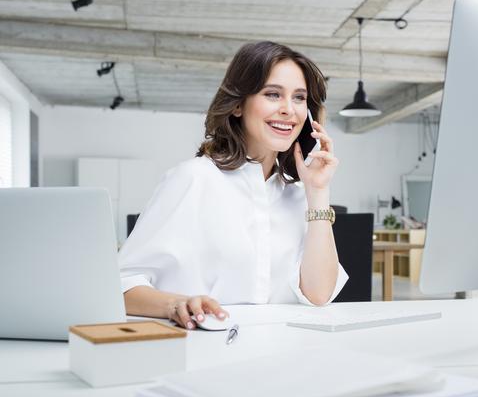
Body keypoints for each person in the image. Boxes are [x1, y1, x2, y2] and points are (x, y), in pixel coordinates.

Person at [118, 41, 348, 329]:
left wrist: (318, 192)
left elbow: (318, 294)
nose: (289, 109)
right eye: (273, 94)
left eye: (299, 98)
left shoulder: (299, 195)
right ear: (239, 104)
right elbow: (121, 284)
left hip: (279, 355)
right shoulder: (193, 179)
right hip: (203, 353)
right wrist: (175, 304)